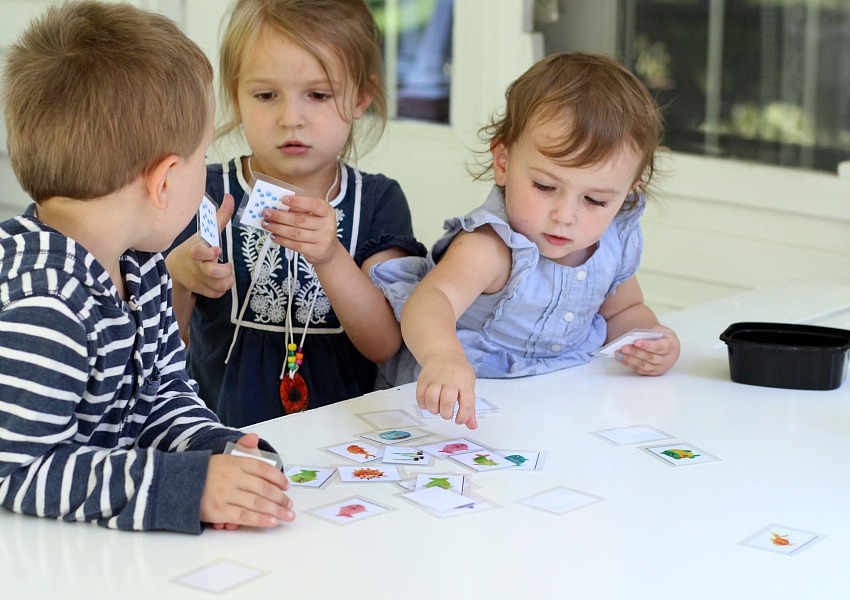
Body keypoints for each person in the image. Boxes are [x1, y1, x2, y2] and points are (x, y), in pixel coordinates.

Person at [0, 1, 295, 533]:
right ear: (164, 183)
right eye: (203, 155)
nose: (207, 171)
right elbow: (13, 471)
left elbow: (160, 398)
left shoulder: (141, 268)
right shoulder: (46, 308)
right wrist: (182, 486)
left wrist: (217, 451)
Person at [371, 52, 681, 430]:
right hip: (452, 407)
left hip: (548, 402)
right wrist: (442, 355)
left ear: (627, 193)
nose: (565, 216)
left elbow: (624, 310)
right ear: (503, 163)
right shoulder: (491, 246)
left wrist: (649, 341)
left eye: (596, 200)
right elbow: (430, 301)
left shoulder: (611, 244)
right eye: (545, 186)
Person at [166, 0, 425, 427]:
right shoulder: (202, 191)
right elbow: (165, 344)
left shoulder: (379, 200)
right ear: (236, 96)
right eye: (266, 95)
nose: (291, 118)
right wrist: (180, 280)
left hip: (347, 440)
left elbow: (384, 344)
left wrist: (330, 257)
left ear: (361, 97)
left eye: (318, 95)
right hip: (223, 438)